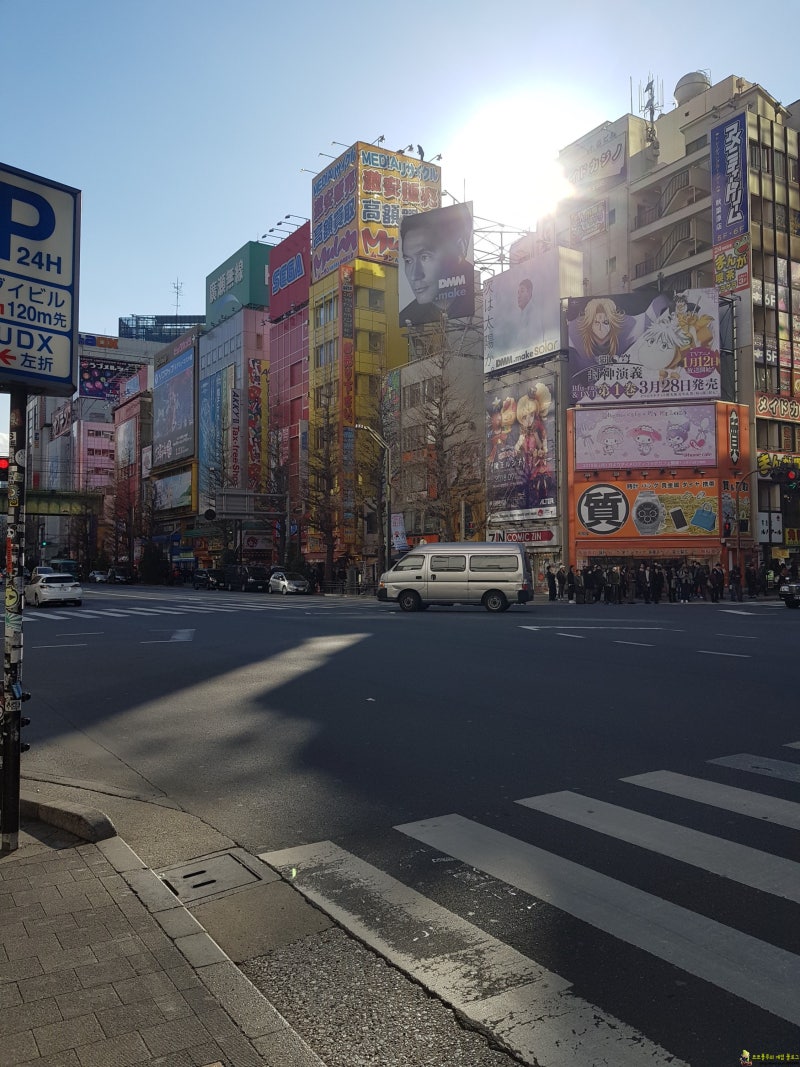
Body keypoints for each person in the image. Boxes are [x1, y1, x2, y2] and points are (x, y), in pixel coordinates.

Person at [399, 204, 474, 325]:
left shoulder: (483, 300)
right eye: (408, 261)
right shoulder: (407, 317)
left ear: (460, 248)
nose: (414, 275)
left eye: (425, 257)